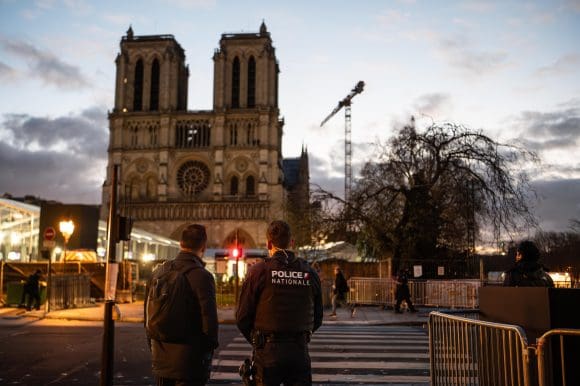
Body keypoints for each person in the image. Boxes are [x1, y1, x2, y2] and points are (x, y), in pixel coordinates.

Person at [236, 220, 323, 386]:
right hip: (299, 351)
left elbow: (242, 318)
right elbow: (318, 318)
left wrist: (258, 341)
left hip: (268, 352)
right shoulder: (309, 272)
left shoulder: (258, 271)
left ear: (269, 243)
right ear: (292, 242)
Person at [146, 224, 219, 386]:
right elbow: (210, 323)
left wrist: (156, 349)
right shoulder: (202, 276)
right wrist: (206, 354)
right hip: (190, 362)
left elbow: (148, 317)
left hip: (161, 360)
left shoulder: (159, 272)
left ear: (180, 244)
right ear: (203, 247)